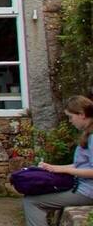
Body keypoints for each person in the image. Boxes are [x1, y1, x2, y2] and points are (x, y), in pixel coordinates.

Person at [25, 95, 93, 225]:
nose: (70, 121)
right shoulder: (88, 134)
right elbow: (82, 165)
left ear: (82, 114)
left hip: (87, 192)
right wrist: (53, 168)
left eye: (70, 117)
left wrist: (63, 170)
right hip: (82, 188)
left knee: (31, 201)